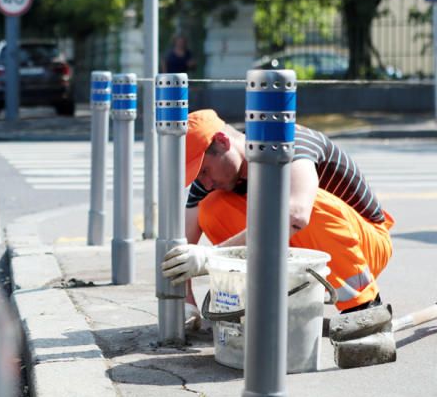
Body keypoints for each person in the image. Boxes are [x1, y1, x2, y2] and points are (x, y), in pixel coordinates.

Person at [161, 109, 394, 327]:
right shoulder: (213, 181)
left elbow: (297, 216)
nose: (206, 183)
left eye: (204, 171)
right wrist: (186, 302)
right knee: (211, 208)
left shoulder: (287, 143)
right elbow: (182, 247)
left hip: (366, 246)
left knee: (301, 204)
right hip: (307, 250)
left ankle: (364, 308)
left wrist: (212, 256)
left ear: (223, 142)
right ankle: (267, 304)